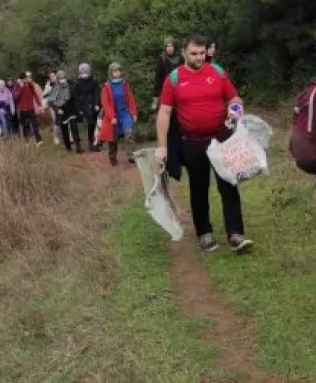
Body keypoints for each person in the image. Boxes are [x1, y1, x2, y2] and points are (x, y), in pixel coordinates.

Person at [155, 34, 252, 254]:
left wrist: (235, 114)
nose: (199, 58)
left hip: (222, 138)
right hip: (193, 143)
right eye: (194, 54)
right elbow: (164, 113)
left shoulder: (217, 72)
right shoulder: (173, 79)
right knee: (198, 188)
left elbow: (234, 99)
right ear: (183, 53)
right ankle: (204, 233)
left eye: (202, 53)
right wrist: (162, 146)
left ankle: (236, 234)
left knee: (229, 185)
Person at [153, 37, 185, 181]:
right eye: (168, 46)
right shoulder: (162, 59)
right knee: (168, 129)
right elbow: (158, 79)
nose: (170, 48)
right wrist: (156, 98)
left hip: (180, 96)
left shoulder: (179, 59)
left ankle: (180, 159)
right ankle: (169, 161)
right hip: (166, 97)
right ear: (165, 47)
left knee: (179, 128)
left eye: (172, 45)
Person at [98, 62, 138, 166]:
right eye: (115, 71)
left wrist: (133, 113)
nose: (117, 73)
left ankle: (132, 156)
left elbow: (130, 99)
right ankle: (112, 158)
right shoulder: (106, 86)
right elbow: (105, 103)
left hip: (125, 113)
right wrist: (111, 117)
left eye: (119, 70)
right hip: (113, 115)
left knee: (129, 133)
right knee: (113, 139)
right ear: (111, 72)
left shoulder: (124, 84)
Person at [51, 70, 83, 153]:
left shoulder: (70, 85)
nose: (62, 79)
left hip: (70, 107)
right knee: (64, 129)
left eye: (63, 77)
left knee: (74, 127)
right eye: (60, 78)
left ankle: (78, 146)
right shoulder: (55, 88)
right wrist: (58, 110)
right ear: (58, 79)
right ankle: (68, 147)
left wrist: (79, 108)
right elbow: (53, 102)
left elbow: (75, 97)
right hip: (61, 109)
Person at [72, 62, 101, 151]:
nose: (84, 73)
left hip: (93, 103)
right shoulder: (78, 82)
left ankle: (93, 142)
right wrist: (79, 108)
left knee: (94, 124)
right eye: (82, 70)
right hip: (84, 104)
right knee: (90, 123)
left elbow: (96, 92)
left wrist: (96, 103)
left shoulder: (93, 80)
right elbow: (76, 96)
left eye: (85, 70)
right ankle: (90, 143)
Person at [15, 73, 44, 145]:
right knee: (24, 125)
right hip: (22, 109)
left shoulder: (30, 84)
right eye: (23, 79)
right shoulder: (17, 86)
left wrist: (39, 104)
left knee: (35, 124)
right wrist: (21, 88)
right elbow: (16, 98)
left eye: (25, 78)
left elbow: (35, 94)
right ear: (20, 80)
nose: (24, 80)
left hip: (30, 107)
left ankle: (39, 140)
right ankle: (27, 141)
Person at [44, 71, 62, 146]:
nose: (53, 77)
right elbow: (45, 96)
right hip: (52, 105)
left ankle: (61, 134)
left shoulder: (60, 83)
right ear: (50, 78)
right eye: (51, 76)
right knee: (55, 120)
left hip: (60, 104)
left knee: (62, 119)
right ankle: (56, 136)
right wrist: (45, 103)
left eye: (54, 75)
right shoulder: (48, 85)